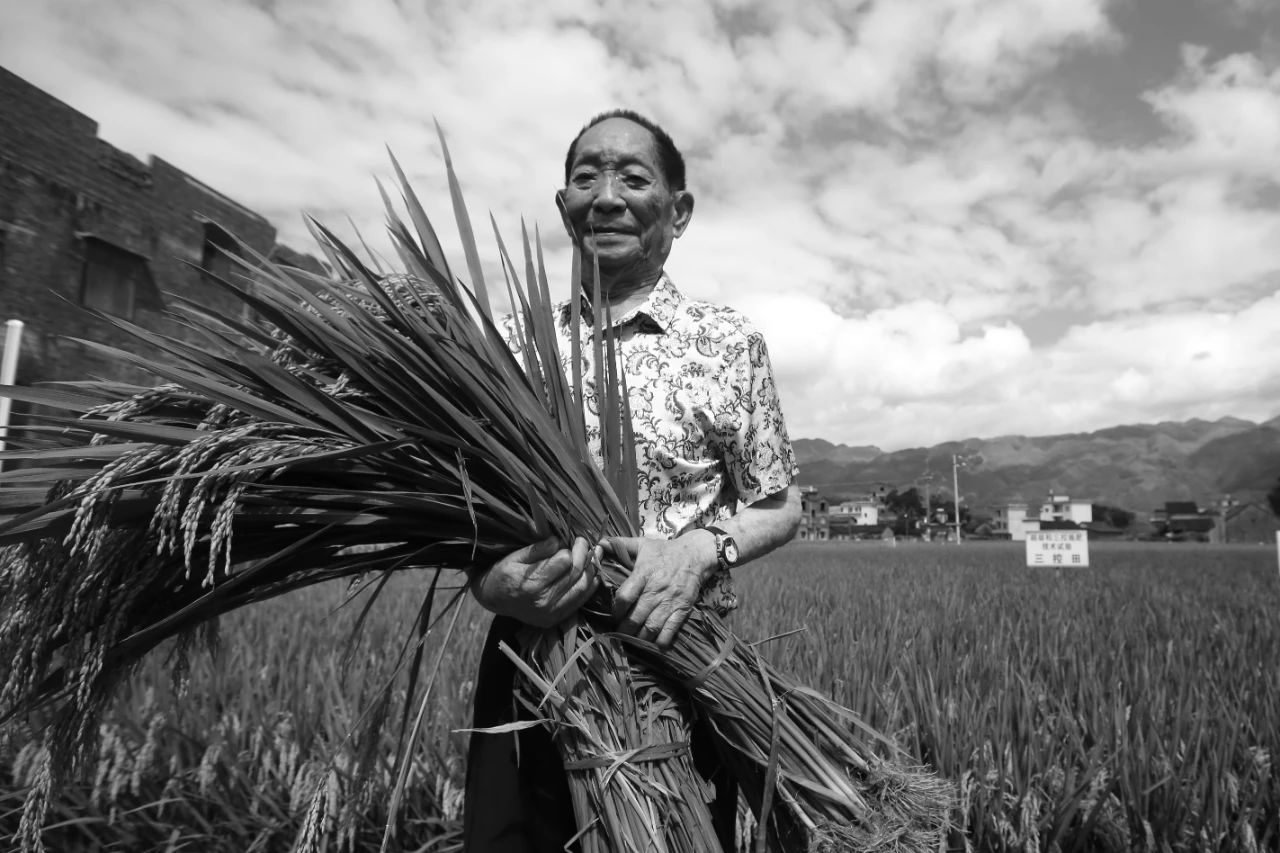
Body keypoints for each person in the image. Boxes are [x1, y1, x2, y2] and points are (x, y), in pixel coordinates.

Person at [463, 109, 802, 852]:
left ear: (678, 212)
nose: (607, 195)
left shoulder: (725, 342)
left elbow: (779, 504)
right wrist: (494, 583)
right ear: (563, 208)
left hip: (680, 672)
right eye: (586, 177)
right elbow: (468, 522)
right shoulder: (512, 346)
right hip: (533, 668)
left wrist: (699, 551)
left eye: (633, 176)